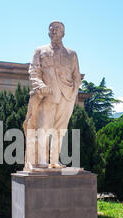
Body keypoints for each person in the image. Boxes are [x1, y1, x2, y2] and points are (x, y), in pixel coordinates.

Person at [23, 21, 81, 170]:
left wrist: (73, 93)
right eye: (52, 29)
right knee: (43, 129)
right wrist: (40, 86)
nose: (54, 31)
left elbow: (77, 77)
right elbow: (34, 72)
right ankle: (42, 161)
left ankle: (55, 161)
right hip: (47, 96)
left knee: (60, 131)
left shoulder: (72, 53)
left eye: (58, 29)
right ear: (48, 33)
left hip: (66, 97)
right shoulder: (40, 50)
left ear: (63, 33)